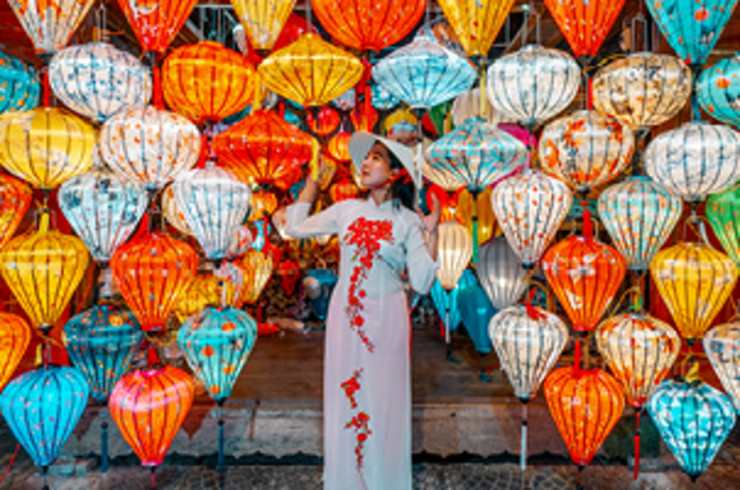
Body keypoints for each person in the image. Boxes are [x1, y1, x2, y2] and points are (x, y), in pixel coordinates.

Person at [285, 131, 441, 490]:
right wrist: (312, 183)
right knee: (347, 393)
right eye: (366, 157)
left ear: (396, 172)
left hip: (388, 318)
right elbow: (294, 228)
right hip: (346, 316)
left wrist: (432, 235)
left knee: (384, 399)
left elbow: (421, 281)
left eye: (376, 157)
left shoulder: (407, 220)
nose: (365, 164)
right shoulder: (347, 210)